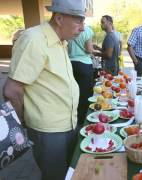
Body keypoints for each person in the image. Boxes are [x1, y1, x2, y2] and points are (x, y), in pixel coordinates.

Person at [2, 0, 85, 179]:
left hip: (68, 122)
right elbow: (12, 90)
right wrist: (23, 119)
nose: (83, 28)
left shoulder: (61, 40)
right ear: (60, 18)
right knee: (54, 176)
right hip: (48, 130)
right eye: (79, 21)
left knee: (68, 173)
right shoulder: (34, 39)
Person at [68, 25, 94, 126]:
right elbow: (89, 50)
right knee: (85, 94)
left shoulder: (69, 28)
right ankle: (83, 120)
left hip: (70, 64)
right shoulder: (87, 30)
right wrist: (92, 50)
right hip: (84, 64)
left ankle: (73, 119)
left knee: (73, 93)